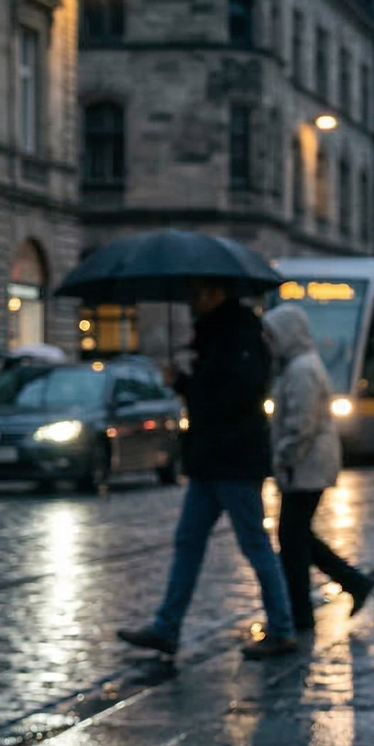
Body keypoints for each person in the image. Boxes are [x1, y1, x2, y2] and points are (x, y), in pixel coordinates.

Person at [119, 280, 299, 659]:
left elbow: (233, 398)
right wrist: (186, 381)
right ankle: (167, 627)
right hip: (209, 460)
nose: (192, 300)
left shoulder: (240, 337)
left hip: (234, 461)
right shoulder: (214, 335)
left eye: (199, 293)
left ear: (218, 293)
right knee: (188, 542)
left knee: (254, 545)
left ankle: (283, 628)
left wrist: (187, 383)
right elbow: (216, 394)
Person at [261, 305, 374, 636]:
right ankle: (352, 583)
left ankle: (303, 611)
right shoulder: (295, 367)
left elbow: (301, 424)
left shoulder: (302, 370)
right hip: (305, 465)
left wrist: (284, 456)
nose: (270, 342)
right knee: (297, 537)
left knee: (292, 538)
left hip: (305, 466)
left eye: (273, 335)